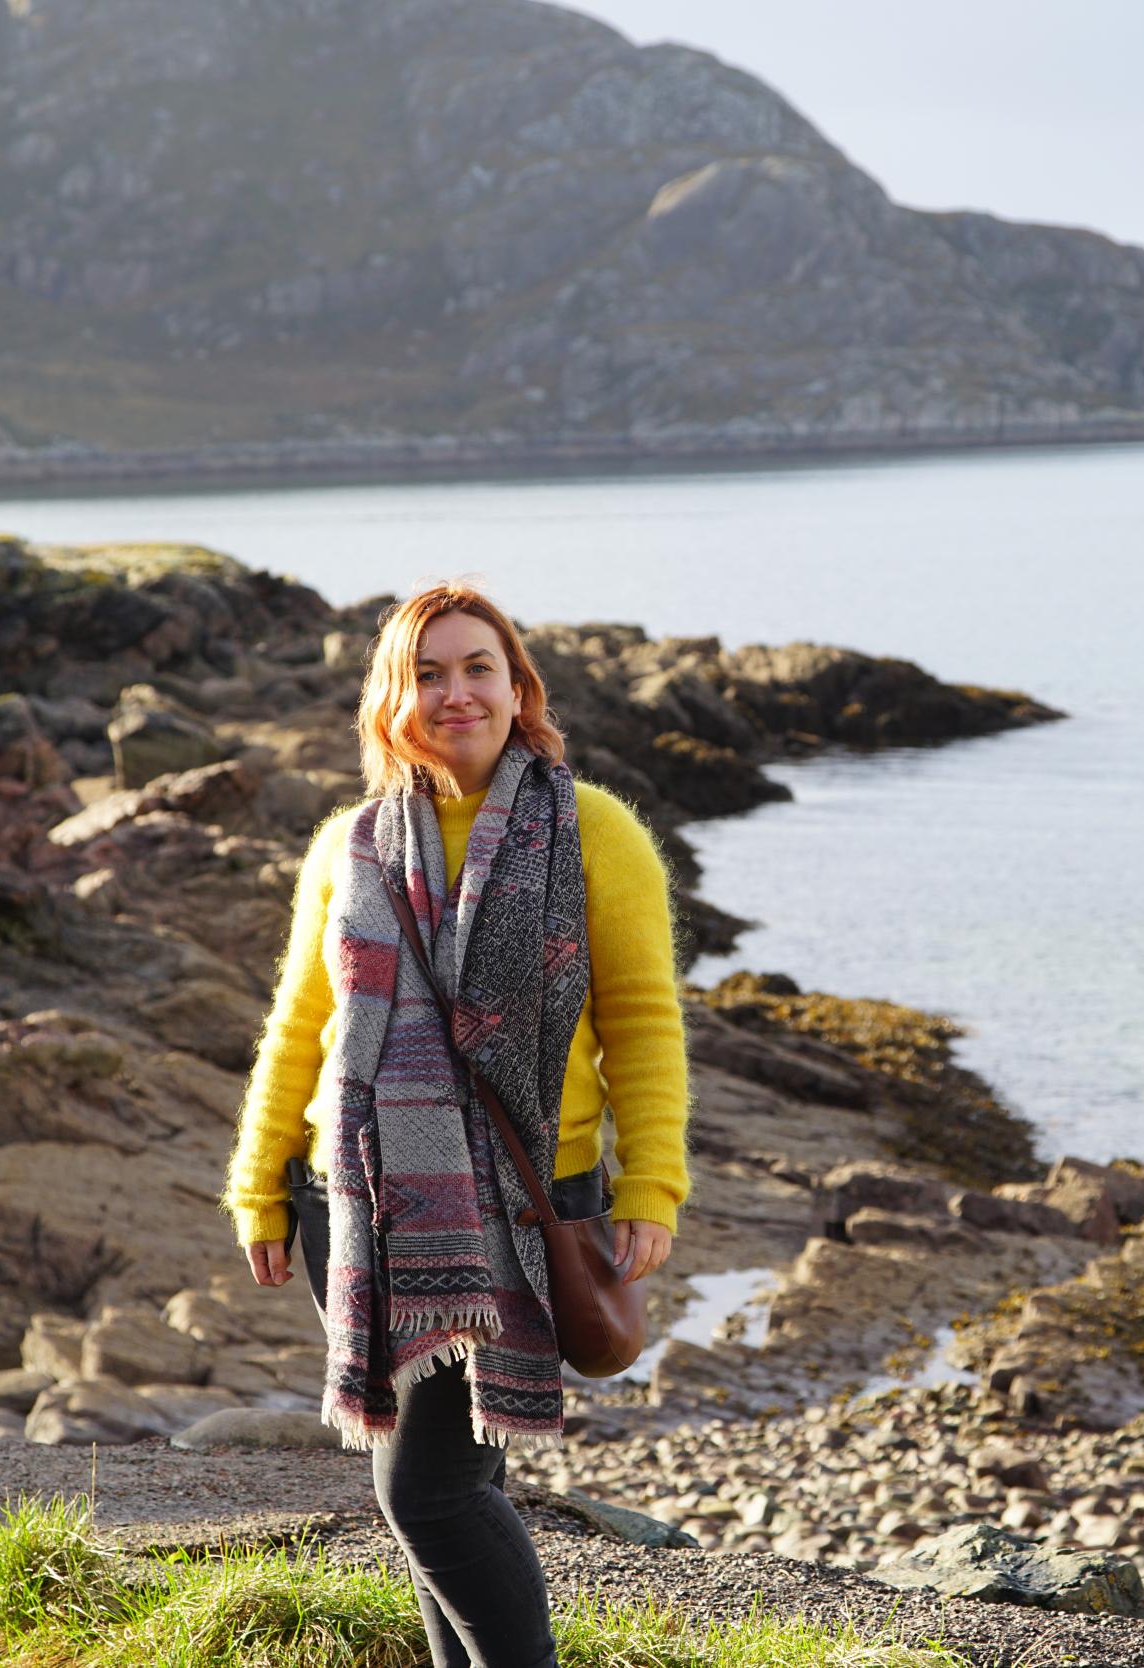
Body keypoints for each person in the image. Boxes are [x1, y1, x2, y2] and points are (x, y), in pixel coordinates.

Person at [220, 580, 690, 1668]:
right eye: (427, 673)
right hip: (359, 1198)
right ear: (393, 699)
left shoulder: (592, 831)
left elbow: (644, 1024)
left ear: (518, 687)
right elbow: (299, 1023)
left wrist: (651, 1187)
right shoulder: (352, 844)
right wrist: (258, 1179)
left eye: (478, 667)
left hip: (523, 1202)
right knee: (451, 1478)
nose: (455, 691)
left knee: (426, 1492)